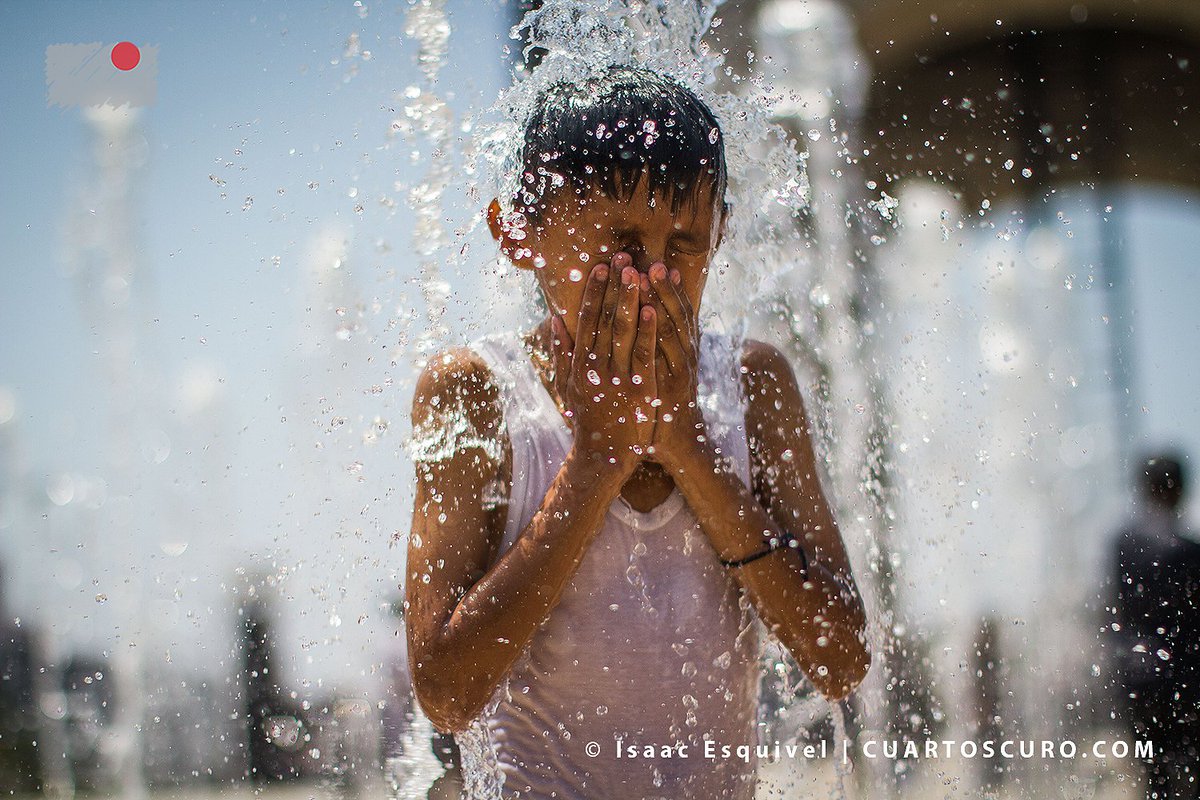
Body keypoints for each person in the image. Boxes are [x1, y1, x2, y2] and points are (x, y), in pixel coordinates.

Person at [404, 65, 871, 799]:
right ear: (519, 233)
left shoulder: (752, 387)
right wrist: (596, 461)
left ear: (722, 233)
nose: (654, 274)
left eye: (685, 244)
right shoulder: (479, 395)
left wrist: (687, 445)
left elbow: (841, 661)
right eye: (623, 242)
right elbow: (447, 693)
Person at [1107, 452, 1200, 798]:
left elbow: (1117, 613)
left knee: (1154, 778)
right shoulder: (1190, 553)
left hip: (1137, 680)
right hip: (1186, 685)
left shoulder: (1122, 546)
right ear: (1181, 492)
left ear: (1144, 490)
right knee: (1188, 777)